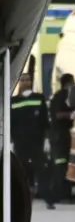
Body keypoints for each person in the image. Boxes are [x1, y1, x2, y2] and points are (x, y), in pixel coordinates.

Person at [10, 73, 55, 209]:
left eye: (27, 80)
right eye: (22, 80)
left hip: (37, 142)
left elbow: (45, 121)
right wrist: (10, 142)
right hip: (20, 143)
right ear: (19, 83)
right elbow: (11, 123)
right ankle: (17, 201)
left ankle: (49, 200)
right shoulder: (13, 101)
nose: (25, 82)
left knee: (42, 171)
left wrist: (47, 141)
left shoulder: (39, 98)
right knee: (19, 173)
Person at [49, 73, 75, 204]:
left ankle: (64, 193)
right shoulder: (59, 97)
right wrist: (71, 115)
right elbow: (57, 115)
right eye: (72, 82)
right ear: (68, 83)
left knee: (64, 164)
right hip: (58, 134)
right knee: (60, 164)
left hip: (63, 133)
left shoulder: (65, 96)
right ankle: (58, 194)